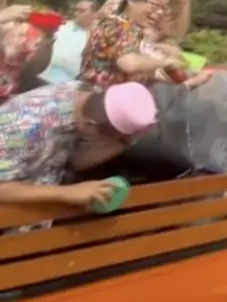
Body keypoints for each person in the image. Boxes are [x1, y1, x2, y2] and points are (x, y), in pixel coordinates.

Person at [0, 81, 158, 212]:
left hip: (40, 210)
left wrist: (124, 141)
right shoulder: (23, 126)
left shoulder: (89, 101)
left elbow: (76, 162)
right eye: (107, 139)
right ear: (90, 125)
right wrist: (67, 193)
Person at [80, 0, 188, 89]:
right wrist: (166, 61)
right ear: (133, 0)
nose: (159, 13)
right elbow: (129, 63)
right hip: (95, 101)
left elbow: (147, 73)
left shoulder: (135, 31)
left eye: (163, 8)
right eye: (155, 5)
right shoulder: (115, 24)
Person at [0, 0, 53, 102]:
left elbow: (35, 68)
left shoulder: (22, 18)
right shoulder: (10, 15)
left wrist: (48, 37)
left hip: (8, 106)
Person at [40, 0, 98, 85]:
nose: (76, 13)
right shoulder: (64, 26)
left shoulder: (96, 35)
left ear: (94, 14)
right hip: (43, 77)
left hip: (68, 85)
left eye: (82, 11)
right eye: (76, 10)